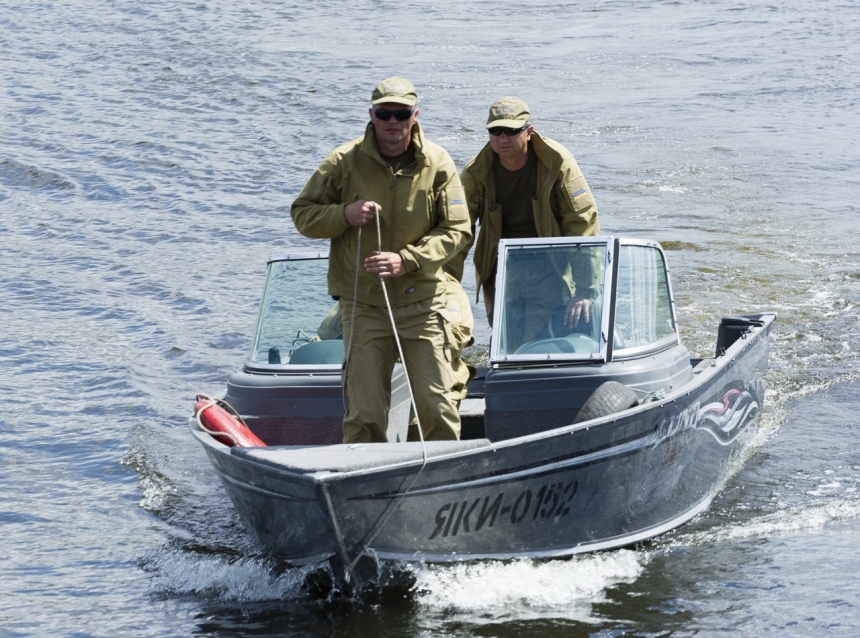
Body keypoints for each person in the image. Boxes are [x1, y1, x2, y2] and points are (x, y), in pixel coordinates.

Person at [290, 77, 472, 444]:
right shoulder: (343, 162)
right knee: (366, 414)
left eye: (401, 114)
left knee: (438, 408)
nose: (393, 121)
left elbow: (458, 231)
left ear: (415, 116)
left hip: (423, 301)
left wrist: (407, 260)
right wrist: (344, 214)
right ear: (371, 116)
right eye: (384, 113)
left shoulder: (437, 163)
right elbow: (302, 215)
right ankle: (362, 489)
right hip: (364, 306)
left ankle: (444, 483)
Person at [449, 97, 601, 343]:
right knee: (506, 339)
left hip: (551, 266)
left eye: (511, 131)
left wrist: (585, 290)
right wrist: (446, 288)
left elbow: (582, 223)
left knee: (546, 339)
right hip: (502, 268)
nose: (503, 138)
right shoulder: (476, 172)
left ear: (529, 132)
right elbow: (456, 232)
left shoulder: (558, 163)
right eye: (495, 131)